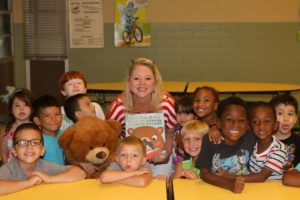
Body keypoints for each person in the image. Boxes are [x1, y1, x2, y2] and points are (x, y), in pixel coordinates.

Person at [106, 58, 177, 177]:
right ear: (129, 82)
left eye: (148, 78)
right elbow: (110, 138)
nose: (142, 83)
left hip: (158, 156)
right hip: (127, 159)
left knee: (159, 186)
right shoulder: (118, 107)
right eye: (136, 78)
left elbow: (170, 132)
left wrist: (166, 153)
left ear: (155, 82)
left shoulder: (166, 104)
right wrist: (122, 157)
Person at [0, 123, 86, 195]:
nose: (29, 147)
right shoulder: (9, 168)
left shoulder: (45, 165)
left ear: (42, 150)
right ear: (14, 151)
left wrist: (49, 179)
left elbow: (79, 173)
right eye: (22, 143)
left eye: (35, 142)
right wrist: (28, 183)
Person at [195, 96, 256, 193]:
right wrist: (229, 185)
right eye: (229, 119)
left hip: (247, 190)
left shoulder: (252, 138)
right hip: (215, 190)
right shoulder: (210, 140)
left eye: (241, 120)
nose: (235, 124)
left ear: (248, 124)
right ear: (218, 123)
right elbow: (205, 174)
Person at [0, 89, 34, 164]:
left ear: (32, 109)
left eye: (26, 104)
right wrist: (7, 168)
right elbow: (3, 152)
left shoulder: (36, 129)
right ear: (11, 110)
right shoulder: (6, 130)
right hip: (11, 170)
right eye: (17, 105)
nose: (21, 108)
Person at [270, 94, 300, 170]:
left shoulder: (298, 141)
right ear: (271, 116)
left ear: (295, 119)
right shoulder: (265, 140)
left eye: (290, 114)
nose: (286, 118)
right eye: (280, 113)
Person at [32, 95, 64, 165]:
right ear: (37, 121)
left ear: (62, 116)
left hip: (63, 174)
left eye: (57, 114)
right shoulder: (38, 141)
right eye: (47, 115)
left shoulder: (62, 134)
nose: (53, 119)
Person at [173, 96, 196, 165]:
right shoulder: (175, 128)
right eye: (179, 113)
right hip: (175, 161)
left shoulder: (196, 130)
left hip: (190, 163)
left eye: (187, 113)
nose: (182, 117)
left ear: (195, 115)